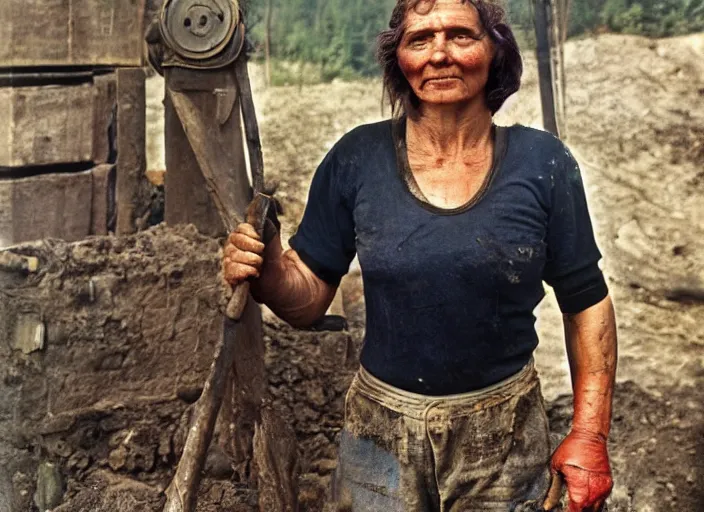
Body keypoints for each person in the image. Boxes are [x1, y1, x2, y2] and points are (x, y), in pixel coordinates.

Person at [222, 0, 617, 510]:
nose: (440, 54)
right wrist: (269, 270)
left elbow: (587, 302)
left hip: (502, 435)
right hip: (378, 438)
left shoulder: (544, 164)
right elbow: (309, 300)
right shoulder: (356, 159)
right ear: (398, 59)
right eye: (420, 39)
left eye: (460, 35)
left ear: (494, 50)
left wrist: (590, 434)